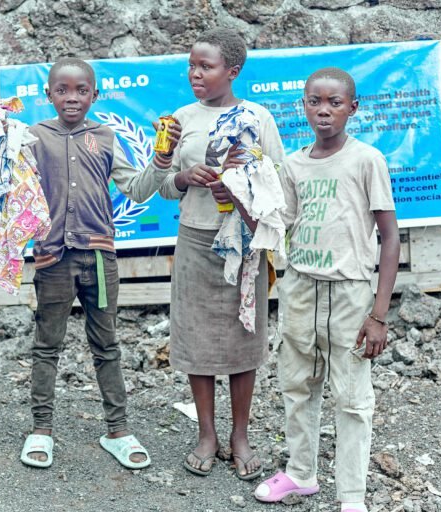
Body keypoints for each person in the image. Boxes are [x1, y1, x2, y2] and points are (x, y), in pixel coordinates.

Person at [249, 67, 400, 512]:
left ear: (353, 108)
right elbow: (284, 226)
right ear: (304, 106)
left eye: (335, 102)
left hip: (349, 294)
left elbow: (389, 238)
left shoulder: (366, 160)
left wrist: (378, 314)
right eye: (315, 101)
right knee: (297, 386)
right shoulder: (293, 165)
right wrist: (242, 193)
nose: (324, 110)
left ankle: (351, 496)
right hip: (299, 289)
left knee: (352, 398)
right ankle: (301, 473)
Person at [19, 57, 181, 469]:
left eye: (81, 91)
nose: (71, 98)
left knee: (106, 344)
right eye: (62, 90)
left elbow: (138, 189)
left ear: (95, 94)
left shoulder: (106, 138)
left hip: (99, 257)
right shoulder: (31, 138)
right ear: (48, 95)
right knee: (47, 345)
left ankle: (118, 430)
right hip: (53, 259)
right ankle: (41, 429)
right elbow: (14, 190)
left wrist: (162, 161)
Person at [158, 28, 286, 479]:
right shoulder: (181, 117)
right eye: (191, 66)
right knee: (196, 340)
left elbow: (278, 183)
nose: (195, 74)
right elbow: (164, 185)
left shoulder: (257, 118)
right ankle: (207, 434)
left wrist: (238, 179)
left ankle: (241, 435)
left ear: (232, 72)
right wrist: (185, 176)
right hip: (195, 239)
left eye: (205, 67)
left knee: (242, 341)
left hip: (244, 244)